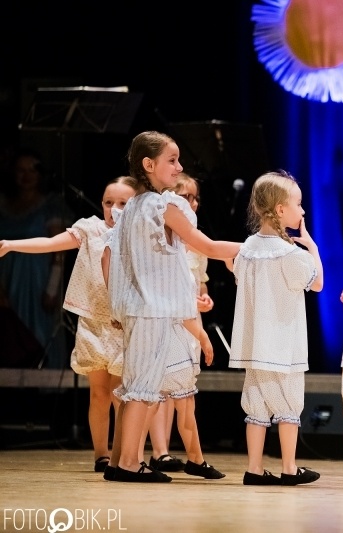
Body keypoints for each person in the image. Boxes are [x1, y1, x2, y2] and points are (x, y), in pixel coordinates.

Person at [102, 131, 239, 482]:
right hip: (153, 308)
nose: (179, 167)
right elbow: (203, 244)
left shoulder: (133, 206)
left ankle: (120, 460)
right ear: (149, 165)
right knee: (143, 389)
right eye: (172, 161)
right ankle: (129, 464)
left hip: (137, 307)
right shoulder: (162, 206)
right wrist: (253, 248)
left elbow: (114, 257)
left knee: (136, 385)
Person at [0, 176, 136, 471]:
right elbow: (51, 243)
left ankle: (123, 457)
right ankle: (101, 453)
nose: (114, 209)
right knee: (99, 393)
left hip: (126, 324)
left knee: (120, 394)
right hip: (94, 322)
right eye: (109, 202)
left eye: (123, 203)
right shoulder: (91, 229)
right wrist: (11, 244)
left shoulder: (139, 235)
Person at [229, 171, 323, 487]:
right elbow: (319, 283)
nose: (303, 211)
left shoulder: (245, 250)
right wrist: (312, 247)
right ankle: (289, 467)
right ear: (281, 210)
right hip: (283, 345)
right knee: (288, 406)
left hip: (255, 345)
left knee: (255, 405)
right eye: (298, 204)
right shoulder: (291, 254)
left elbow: (240, 280)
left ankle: (254, 468)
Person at [147, 173, 216, 473]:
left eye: (194, 197)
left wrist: (204, 299)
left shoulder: (198, 245)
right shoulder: (163, 241)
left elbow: (199, 284)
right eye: (184, 196)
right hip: (168, 319)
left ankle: (189, 454)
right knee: (161, 390)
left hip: (190, 320)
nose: (191, 202)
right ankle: (160, 451)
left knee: (184, 390)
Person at [0, 148, 73, 368]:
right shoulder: (2, 204)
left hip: (37, 280)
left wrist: (52, 288)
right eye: (21, 170)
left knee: (38, 330)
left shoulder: (50, 204)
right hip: (7, 279)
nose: (27, 175)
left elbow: (59, 249)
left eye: (33, 169)